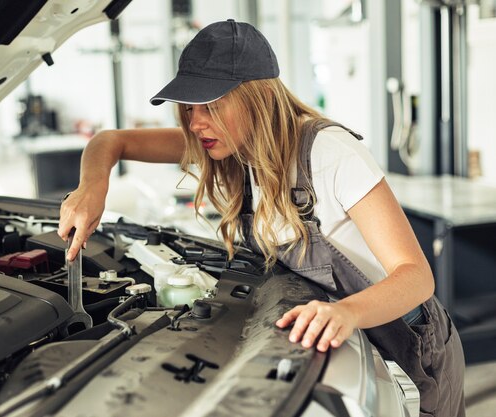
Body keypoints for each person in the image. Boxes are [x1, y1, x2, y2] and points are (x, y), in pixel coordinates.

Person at [58, 19, 465, 417]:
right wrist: (92, 185)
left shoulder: (328, 152)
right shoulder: (233, 144)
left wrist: (347, 312)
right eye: (189, 105)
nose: (195, 122)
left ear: (258, 98)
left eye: (212, 105)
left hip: (409, 340)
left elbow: (415, 275)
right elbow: (110, 140)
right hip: (340, 330)